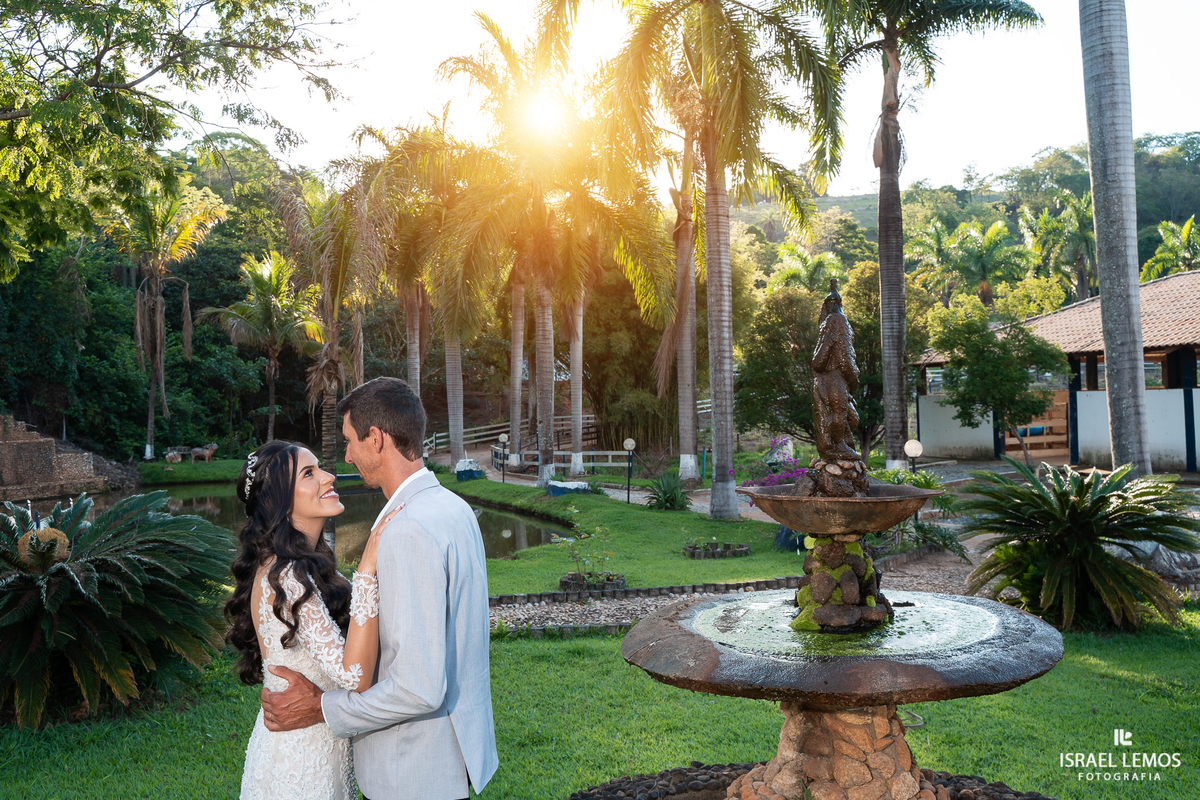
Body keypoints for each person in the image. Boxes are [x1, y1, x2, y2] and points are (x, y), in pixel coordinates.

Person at [260, 377, 498, 800]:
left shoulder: (407, 528)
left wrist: (320, 708)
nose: (345, 456)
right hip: (446, 758)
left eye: (350, 441)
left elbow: (417, 688)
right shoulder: (454, 508)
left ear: (376, 438)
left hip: (410, 770)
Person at [226, 439, 402, 800]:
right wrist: (367, 568)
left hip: (314, 750)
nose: (329, 477)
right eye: (310, 473)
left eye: (319, 467)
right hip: (299, 766)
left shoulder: (294, 566)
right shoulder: (287, 576)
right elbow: (354, 676)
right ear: (281, 502)